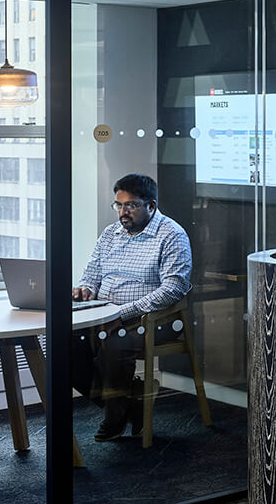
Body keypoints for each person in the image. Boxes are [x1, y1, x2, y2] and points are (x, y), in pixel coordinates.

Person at [72, 172, 193, 441]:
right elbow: (92, 272)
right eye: (119, 205)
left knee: (113, 343)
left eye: (131, 205)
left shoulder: (172, 235)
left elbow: (173, 289)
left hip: (154, 320)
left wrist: (122, 312)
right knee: (65, 345)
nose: (123, 212)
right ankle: (129, 405)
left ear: (151, 205)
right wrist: (86, 288)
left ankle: (115, 417)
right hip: (106, 314)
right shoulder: (110, 233)